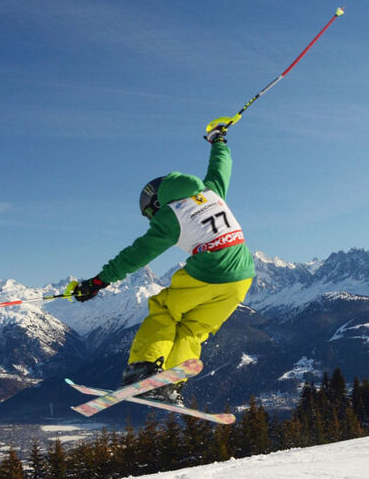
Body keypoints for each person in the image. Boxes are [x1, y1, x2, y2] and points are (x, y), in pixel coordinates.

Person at [72, 118, 255, 405]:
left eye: (149, 214)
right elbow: (221, 167)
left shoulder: (171, 216)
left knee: (163, 310)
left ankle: (143, 371)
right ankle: (170, 383)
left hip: (209, 271)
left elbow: (137, 253)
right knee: (193, 328)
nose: (151, 221)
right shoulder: (211, 192)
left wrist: (99, 281)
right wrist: (218, 140)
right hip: (242, 277)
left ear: (156, 203)